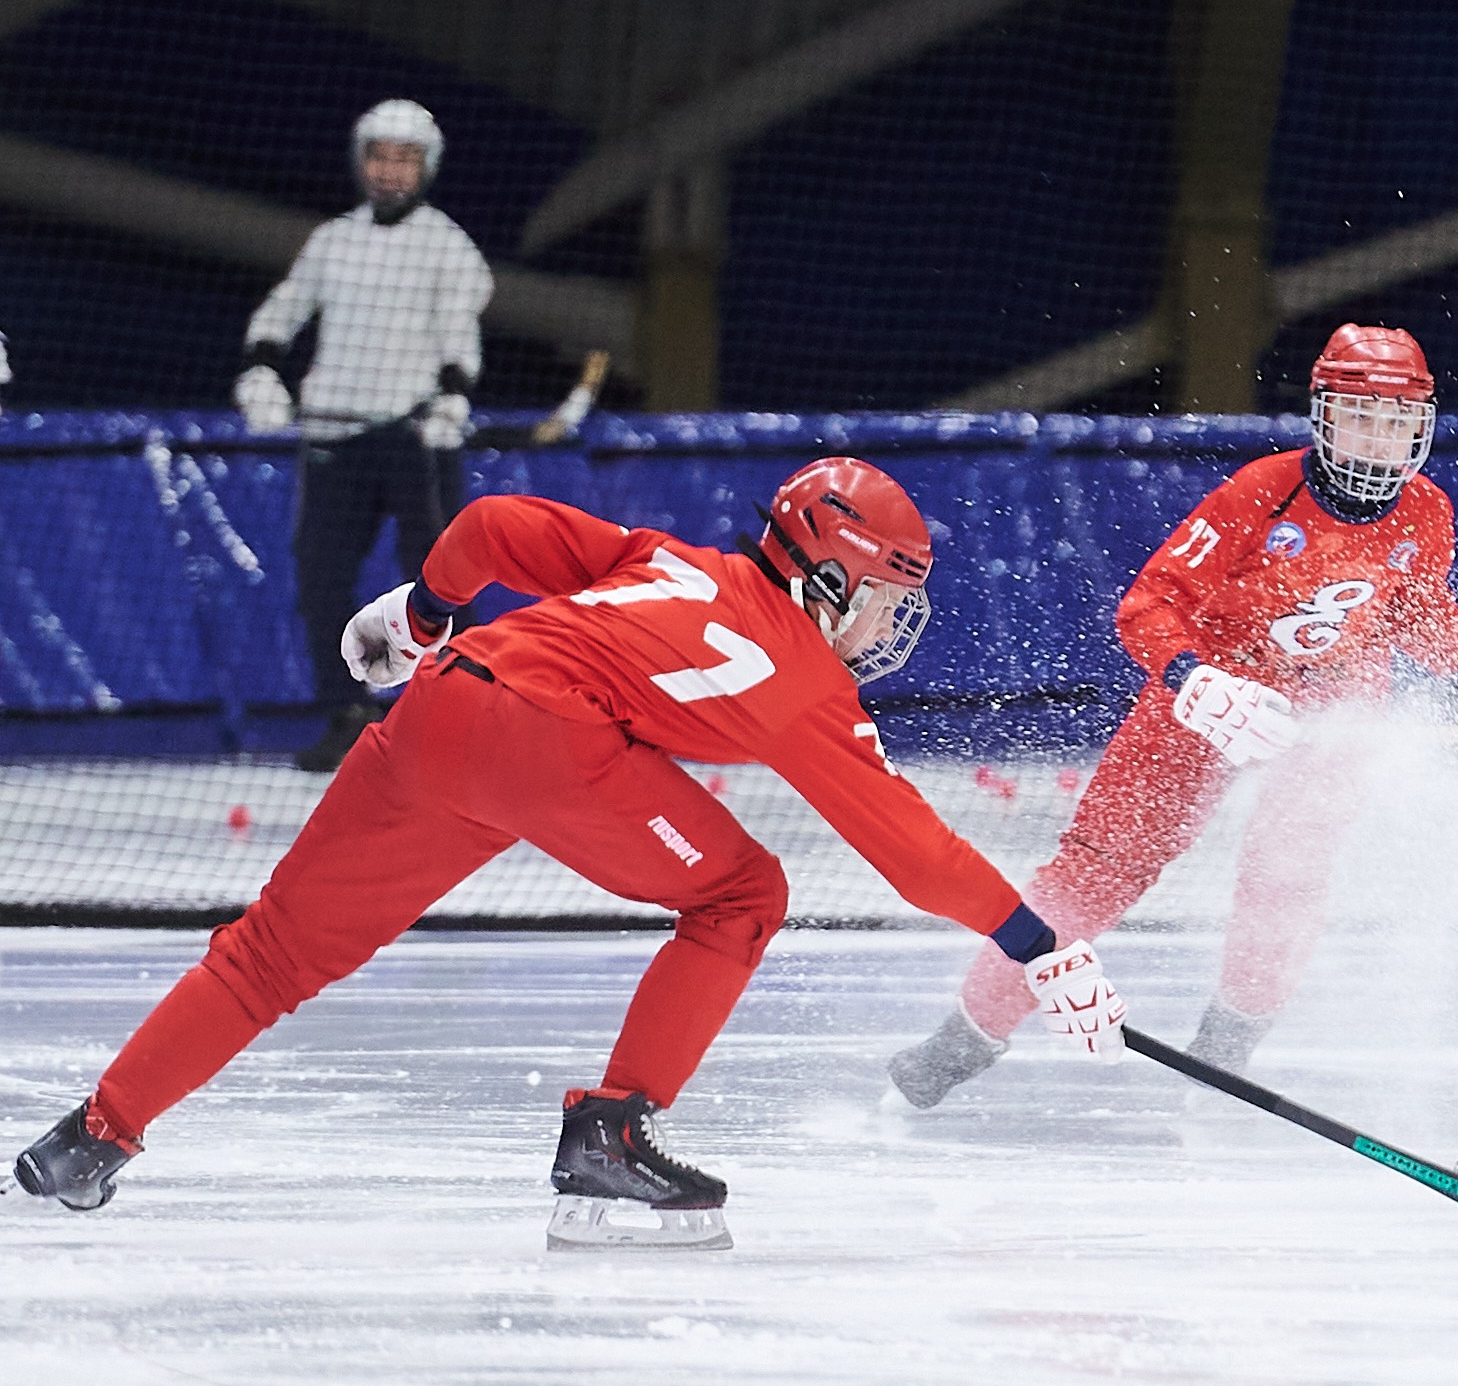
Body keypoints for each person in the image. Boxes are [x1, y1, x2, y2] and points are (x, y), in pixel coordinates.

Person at [10, 458, 1128, 1250]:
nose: (891, 625)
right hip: (541, 739)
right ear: (829, 576)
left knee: (268, 958)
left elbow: (492, 523)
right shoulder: (803, 682)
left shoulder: (671, 561)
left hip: (445, 703)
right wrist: (1038, 947)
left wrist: (423, 614)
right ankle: (613, 1127)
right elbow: (918, 857)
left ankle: (89, 1139)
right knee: (745, 891)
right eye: (887, 595)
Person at [886, 322, 1458, 1107]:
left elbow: (1416, 613)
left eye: (1398, 422)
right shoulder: (1261, 492)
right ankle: (962, 1042)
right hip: (1211, 693)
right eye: (1362, 417)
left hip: (1334, 700)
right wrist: (1195, 681)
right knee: (1097, 872)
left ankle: (1223, 1061)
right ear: (1325, 417)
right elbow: (1149, 603)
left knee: (1288, 879)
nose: (1379, 441)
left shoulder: (1426, 510)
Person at [236, 99, 495, 772]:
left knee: (441, 581)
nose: (388, 172)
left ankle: (457, 716)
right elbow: (283, 308)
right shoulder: (334, 241)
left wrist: (453, 399)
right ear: (362, 163)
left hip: (413, 440)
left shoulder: (447, 246)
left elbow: (459, 334)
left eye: (403, 160)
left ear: (425, 168)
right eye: (379, 157)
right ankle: (346, 711)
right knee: (320, 576)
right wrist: (259, 368)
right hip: (334, 438)